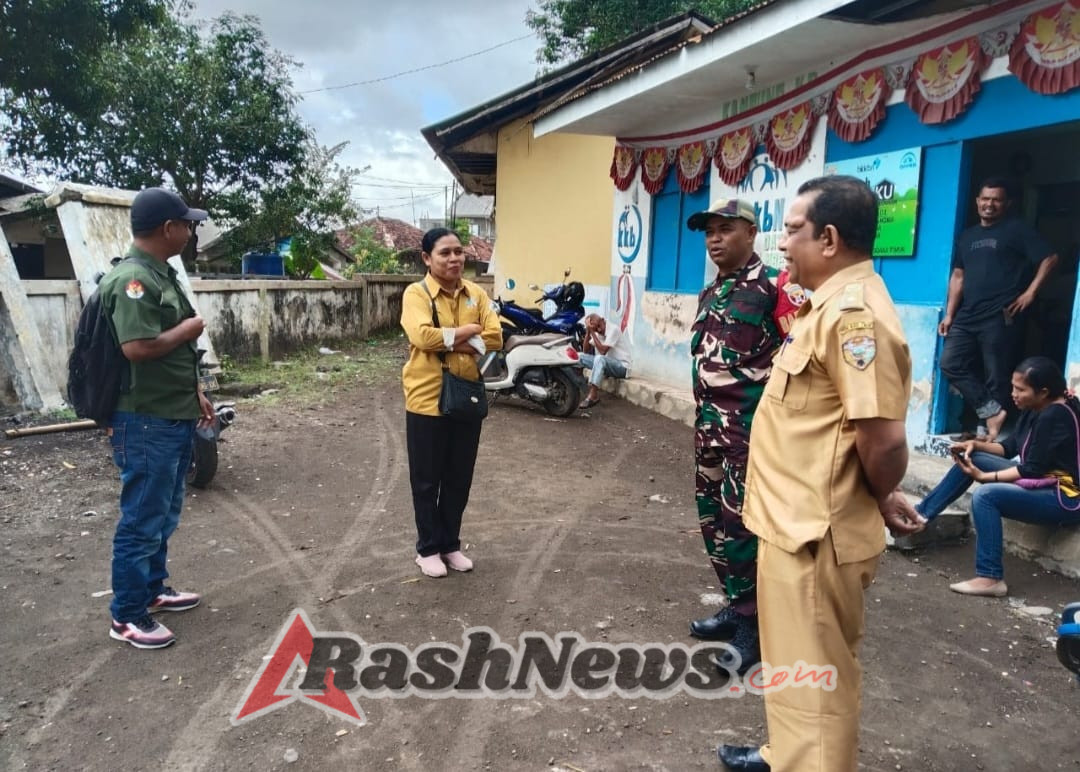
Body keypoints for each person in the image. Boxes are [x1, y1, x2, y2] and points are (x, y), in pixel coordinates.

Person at [718, 176, 923, 772]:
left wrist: (879, 493)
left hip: (817, 534)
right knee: (795, 667)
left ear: (828, 239)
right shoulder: (826, 306)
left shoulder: (855, 318)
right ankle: (785, 754)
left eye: (791, 231)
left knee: (818, 680)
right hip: (793, 524)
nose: (782, 244)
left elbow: (883, 440)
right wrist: (879, 497)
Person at [100, 187, 215, 649]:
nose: (190, 231)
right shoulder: (133, 280)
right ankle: (127, 615)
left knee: (163, 511)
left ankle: (152, 590)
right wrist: (187, 329)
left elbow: (170, 355)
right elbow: (137, 348)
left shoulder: (159, 274)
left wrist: (195, 392)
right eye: (187, 224)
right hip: (145, 419)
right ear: (169, 228)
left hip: (171, 410)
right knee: (142, 519)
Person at [684, 197, 782, 674]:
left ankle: (756, 626)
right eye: (709, 232)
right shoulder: (713, 291)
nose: (715, 239)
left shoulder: (777, 288)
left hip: (749, 432)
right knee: (713, 521)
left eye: (725, 229)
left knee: (743, 526)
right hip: (709, 428)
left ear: (751, 232)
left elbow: (796, 359)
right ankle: (735, 603)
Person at [400, 227, 502, 578]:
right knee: (427, 479)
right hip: (426, 398)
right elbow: (422, 336)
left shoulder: (476, 293)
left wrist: (451, 338)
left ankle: (449, 545)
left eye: (458, 251)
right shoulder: (417, 294)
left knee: (459, 478)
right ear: (427, 258)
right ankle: (427, 549)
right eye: (445, 252)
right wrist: (470, 332)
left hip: (466, 395)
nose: (454, 258)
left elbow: (496, 336)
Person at [939, 356, 1080, 597]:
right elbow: (1009, 448)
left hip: (1065, 498)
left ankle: (990, 577)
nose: (1013, 394)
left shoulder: (1054, 415)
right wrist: (975, 444)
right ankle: (921, 516)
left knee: (986, 496)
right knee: (974, 457)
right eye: (1013, 387)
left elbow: (1031, 469)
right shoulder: (1036, 408)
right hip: (1045, 484)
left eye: (1020, 389)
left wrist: (985, 477)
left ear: (1043, 392)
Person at [939, 177, 1058, 441]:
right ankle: (993, 412)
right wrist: (950, 313)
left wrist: (1030, 292)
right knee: (950, 363)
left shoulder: (1017, 230)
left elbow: (1049, 258)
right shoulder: (967, 236)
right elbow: (958, 276)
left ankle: (986, 433)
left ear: (1007, 204)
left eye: (996, 200)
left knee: (996, 374)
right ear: (977, 201)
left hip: (1001, 314)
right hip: (968, 314)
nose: (989, 204)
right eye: (985, 199)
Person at [577, 313, 631, 409]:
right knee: (579, 356)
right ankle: (575, 387)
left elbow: (602, 351)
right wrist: (588, 332)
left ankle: (593, 395)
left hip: (622, 367)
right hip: (608, 365)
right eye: (595, 329)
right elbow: (585, 351)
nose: (599, 330)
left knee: (599, 358)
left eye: (599, 326)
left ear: (602, 320)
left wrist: (593, 332)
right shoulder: (598, 333)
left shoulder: (613, 329)